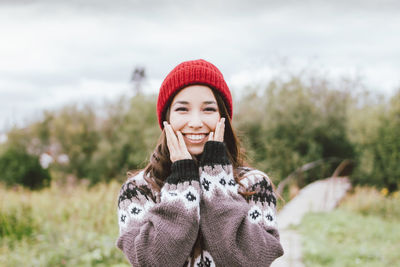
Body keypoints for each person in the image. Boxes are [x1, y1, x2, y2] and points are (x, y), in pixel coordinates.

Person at [116, 59, 284, 266]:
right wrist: (182, 184)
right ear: (166, 119)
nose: (195, 123)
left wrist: (217, 182)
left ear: (223, 117)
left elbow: (252, 261)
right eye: (183, 109)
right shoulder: (137, 190)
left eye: (208, 109)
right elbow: (152, 262)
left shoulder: (255, 184)